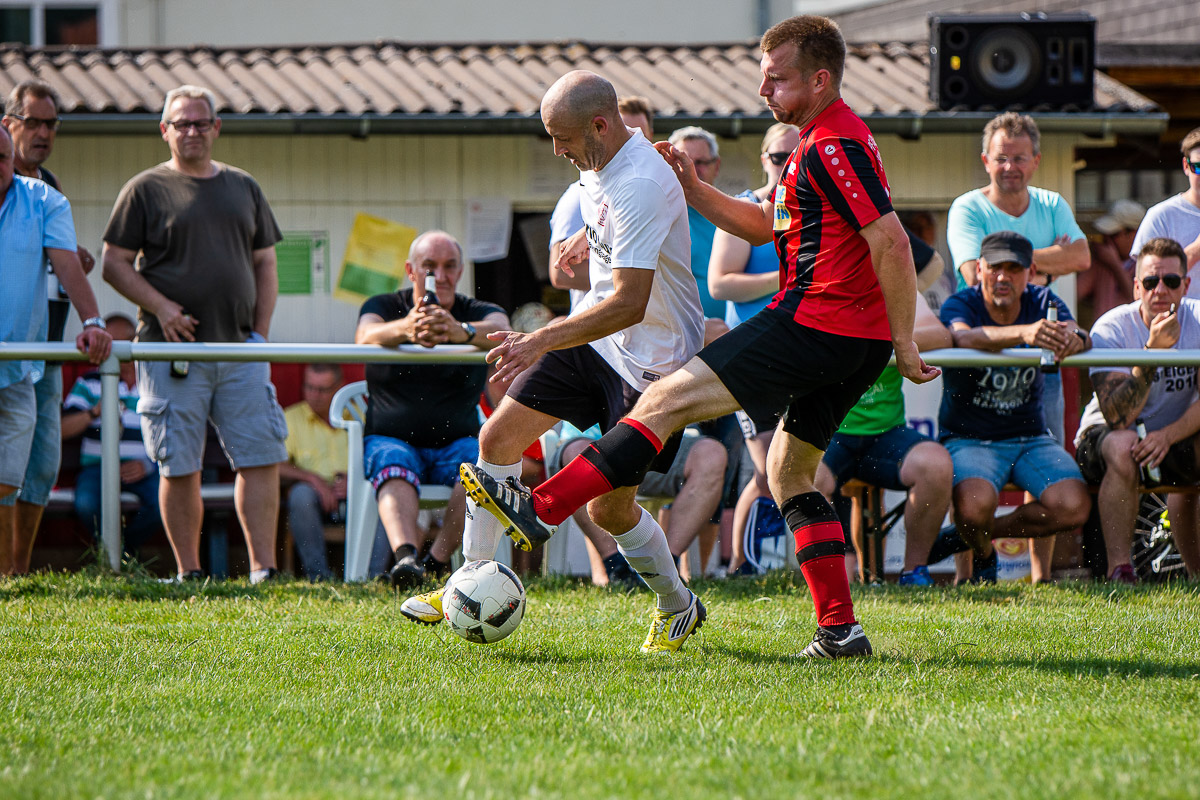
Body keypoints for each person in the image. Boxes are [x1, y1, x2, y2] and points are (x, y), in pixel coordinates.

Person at [465, 16, 938, 659]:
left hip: (818, 322)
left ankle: (540, 507)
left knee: (664, 402)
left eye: (778, 79)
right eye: (763, 77)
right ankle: (839, 630)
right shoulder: (820, 142)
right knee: (789, 474)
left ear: (821, 80)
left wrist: (905, 340)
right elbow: (765, 225)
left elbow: (892, 241)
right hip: (848, 338)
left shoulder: (833, 144)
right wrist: (694, 189)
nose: (763, 90)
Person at [410, 70, 706, 654]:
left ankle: (678, 604)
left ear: (599, 125)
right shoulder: (598, 164)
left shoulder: (641, 181)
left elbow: (630, 302)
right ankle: (468, 582)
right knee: (496, 439)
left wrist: (540, 339)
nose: (555, 150)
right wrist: (585, 241)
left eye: (562, 138)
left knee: (610, 510)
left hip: (653, 366)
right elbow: (611, 235)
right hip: (597, 343)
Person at [101, 85, 287, 584]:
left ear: (216, 127)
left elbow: (266, 263)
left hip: (241, 351)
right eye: (181, 123)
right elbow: (113, 263)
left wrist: (259, 335)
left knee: (261, 457)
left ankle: (264, 571)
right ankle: (190, 572)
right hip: (169, 352)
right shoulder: (143, 189)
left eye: (201, 122)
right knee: (178, 464)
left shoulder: (243, 186)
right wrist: (161, 308)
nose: (192, 131)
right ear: (164, 130)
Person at [946, 111, 1090, 578]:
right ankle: (967, 572)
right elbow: (973, 276)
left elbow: (1081, 256)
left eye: (1020, 158)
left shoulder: (1052, 202)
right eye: (1002, 157)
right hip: (984, 363)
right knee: (969, 489)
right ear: (985, 160)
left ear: (1036, 161)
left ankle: (1039, 574)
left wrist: (1015, 258)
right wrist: (1044, 259)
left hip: (1043, 357)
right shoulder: (967, 207)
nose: (1010, 166)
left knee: (1046, 470)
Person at [355, 230, 509, 588]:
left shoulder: (476, 310)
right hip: (391, 437)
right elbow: (365, 334)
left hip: (458, 441)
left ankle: (434, 564)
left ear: (460, 271)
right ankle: (405, 558)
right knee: (393, 459)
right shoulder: (383, 305)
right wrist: (407, 329)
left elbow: (502, 330)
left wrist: (459, 331)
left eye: (449, 266)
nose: (440, 276)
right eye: (429, 267)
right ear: (411, 271)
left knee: (480, 466)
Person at [938, 231, 1092, 583]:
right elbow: (961, 336)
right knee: (972, 507)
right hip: (969, 438)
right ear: (979, 269)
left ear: (1031, 272)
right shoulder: (961, 302)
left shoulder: (1043, 299)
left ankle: (974, 535)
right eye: (995, 267)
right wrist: (1024, 334)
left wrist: (1074, 339)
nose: (1003, 276)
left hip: (1029, 438)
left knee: (1074, 505)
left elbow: (1079, 332)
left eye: (1014, 268)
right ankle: (981, 552)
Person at [0, 125, 111, 575]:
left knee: (13, 476)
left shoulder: (45, 199)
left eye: (2, 158)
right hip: (24, 363)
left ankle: (12, 573)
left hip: (20, 365)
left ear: (12, 158)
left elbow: (67, 264)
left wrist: (93, 322)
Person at [1074, 237, 1200, 582]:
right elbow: (1118, 417)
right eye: (1150, 281)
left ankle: (1196, 574)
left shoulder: (1198, 320)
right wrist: (1151, 353)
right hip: (1106, 436)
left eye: (1170, 281)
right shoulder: (1111, 328)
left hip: (1172, 433)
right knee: (1123, 444)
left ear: (1185, 284)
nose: (1160, 290)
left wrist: (1167, 435)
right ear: (1136, 287)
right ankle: (1120, 570)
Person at [814, 293, 954, 586]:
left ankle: (914, 573)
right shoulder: (820, 281)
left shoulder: (896, 284)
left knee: (936, 465)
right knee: (809, 481)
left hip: (885, 433)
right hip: (830, 430)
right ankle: (828, 581)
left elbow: (941, 336)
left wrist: (883, 339)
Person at [61, 314, 160, 555]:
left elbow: (171, 430)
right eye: (105, 343)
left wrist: (148, 465)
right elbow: (61, 429)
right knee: (87, 504)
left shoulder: (154, 381)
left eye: (114, 343)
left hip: (146, 468)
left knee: (162, 504)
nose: (109, 350)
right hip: (97, 468)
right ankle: (119, 557)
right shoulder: (89, 382)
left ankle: (119, 554)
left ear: (133, 342)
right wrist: (93, 412)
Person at [548, 95, 655, 311]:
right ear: (603, 130)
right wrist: (636, 280)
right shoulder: (578, 195)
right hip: (598, 323)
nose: (630, 141)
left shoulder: (652, 188)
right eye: (624, 131)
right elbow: (560, 273)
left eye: (638, 134)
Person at [278, 363, 349, 581]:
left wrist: (356, 482)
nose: (314, 395)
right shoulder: (291, 418)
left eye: (322, 389)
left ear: (340, 388)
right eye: (309, 387)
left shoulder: (358, 416)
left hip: (356, 497)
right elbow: (275, 467)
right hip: (313, 497)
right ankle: (318, 577)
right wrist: (312, 479)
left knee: (379, 496)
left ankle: (375, 577)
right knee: (301, 495)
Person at [1130, 126, 1200, 298]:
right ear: (1186, 166)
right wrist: (1196, 250)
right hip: (1178, 316)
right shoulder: (1161, 216)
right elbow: (1141, 295)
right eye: (1198, 166)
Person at [667, 126, 727, 322]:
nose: (691, 169)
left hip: (737, 330)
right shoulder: (660, 218)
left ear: (716, 166)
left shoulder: (732, 214)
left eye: (700, 162)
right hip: (684, 331)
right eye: (682, 162)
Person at [1077, 199, 1145, 327]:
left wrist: (1114, 265)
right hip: (1103, 335)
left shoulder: (1146, 264)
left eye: (1113, 234)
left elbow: (1136, 298)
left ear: (1133, 233)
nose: (1107, 240)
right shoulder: (1100, 263)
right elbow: (1075, 294)